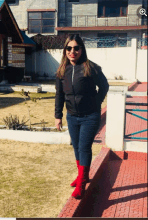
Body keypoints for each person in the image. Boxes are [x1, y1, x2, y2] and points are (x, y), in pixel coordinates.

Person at [55, 34, 109, 199]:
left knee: (84, 147)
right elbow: (59, 95)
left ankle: (82, 183)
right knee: (77, 147)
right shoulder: (62, 70)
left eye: (76, 48)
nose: (73, 51)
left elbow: (104, 86)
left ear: (81, 49)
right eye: (69, 48)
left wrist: (96, 103)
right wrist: (58, 116)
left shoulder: (91, 67)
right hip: (72, 116)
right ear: (65, 50)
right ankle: (81, 175)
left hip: (90, 116)